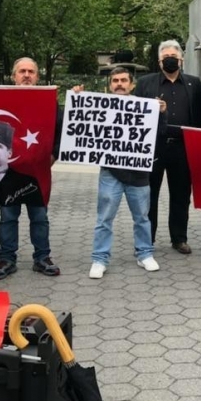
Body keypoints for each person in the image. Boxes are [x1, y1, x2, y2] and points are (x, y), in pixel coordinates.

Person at [81, 67, 167, 278]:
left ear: (132, 84)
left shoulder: (145, 107)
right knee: (104, 218)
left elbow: (160, 133)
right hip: (111, 172)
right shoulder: (100, 106)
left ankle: (145, 254)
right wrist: (77, 98)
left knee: (142, 217)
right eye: (115, 81)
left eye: (123, 80)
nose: (119, 84)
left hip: (138, 173)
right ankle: (99, 259)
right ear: (109, 85)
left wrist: (161, 114)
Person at [0, 57, 60, 281]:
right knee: (7, 216)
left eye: (31, 71)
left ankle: (42, 258)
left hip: (38, 171)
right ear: (13, 76)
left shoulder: (48, 100)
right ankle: (7, 259)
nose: (27, 75)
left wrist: (54, 154)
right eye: (22, 71)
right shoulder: (0, 98)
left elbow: (60, 128)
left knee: (40, 216)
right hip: (8, 173)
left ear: (37, 76)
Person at [134, 40, 201, 255]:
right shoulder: (145, 83)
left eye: (174, 55)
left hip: (183, 147)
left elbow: (200, 116)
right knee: (148, 195)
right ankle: (148, 238)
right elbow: (133, 113)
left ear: (182, 59)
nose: (170, 59)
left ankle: (179, 238)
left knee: (181, 195)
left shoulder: (194, 83)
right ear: (159, 60)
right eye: (166, 57)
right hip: (153, 147)